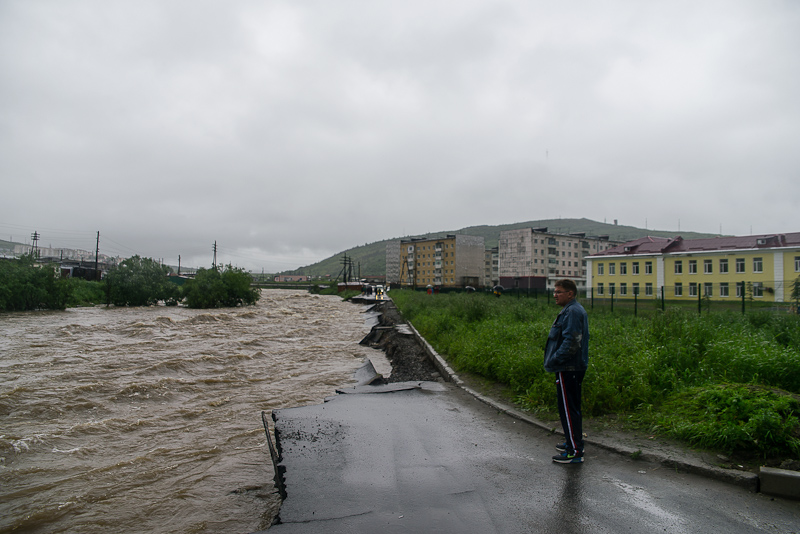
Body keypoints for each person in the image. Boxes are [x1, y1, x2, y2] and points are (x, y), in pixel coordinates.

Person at [544, 279, 590, 464]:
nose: (554, 295)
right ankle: (574, 442)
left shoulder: (572, 311)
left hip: (568, 367)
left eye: (559, 292)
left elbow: (571, 342)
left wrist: (555, 360)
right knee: (571, 408)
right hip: (572, 367)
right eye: (554, 291)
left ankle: (574, 452)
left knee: (568, 410)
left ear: (570, 293)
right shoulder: (572, 310)